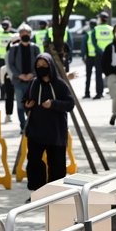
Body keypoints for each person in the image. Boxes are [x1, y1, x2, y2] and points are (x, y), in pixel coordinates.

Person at [23, 53, 74, 191]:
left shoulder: (60, 84)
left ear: (50, 66)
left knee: (56, 164)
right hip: (36, 131)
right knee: (34, 162)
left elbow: (70, 104)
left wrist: (53, 104)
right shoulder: (34, 83)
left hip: (55, 132)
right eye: (38, 66)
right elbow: (25, 100)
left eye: (44, 65)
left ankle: (55, 193)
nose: (41, 68)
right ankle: (37, 192)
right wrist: (27, 104)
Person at [6, 23, 41, 131]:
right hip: (18, 82)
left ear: (30, 35)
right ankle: (23, 126)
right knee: (21, 105)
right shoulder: (14, 49)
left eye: (27, 33)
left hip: (33, 81)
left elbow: (40, 63)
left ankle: (31, 125)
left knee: (33, 104)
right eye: (22, 33)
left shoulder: (35, 48)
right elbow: (10, 64)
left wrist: (32, 74)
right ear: (19, 35)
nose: (25, 35)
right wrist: (19, 75)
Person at [81, 19, 101, 99]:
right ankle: (99, 93)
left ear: (89, 25)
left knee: (88, 76)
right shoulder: (97, 33)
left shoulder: (87, 34)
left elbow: (83, 46)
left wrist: (83, 56)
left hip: (89, 58)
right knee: (98, 76)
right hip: (97, 57)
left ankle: (87, 93)